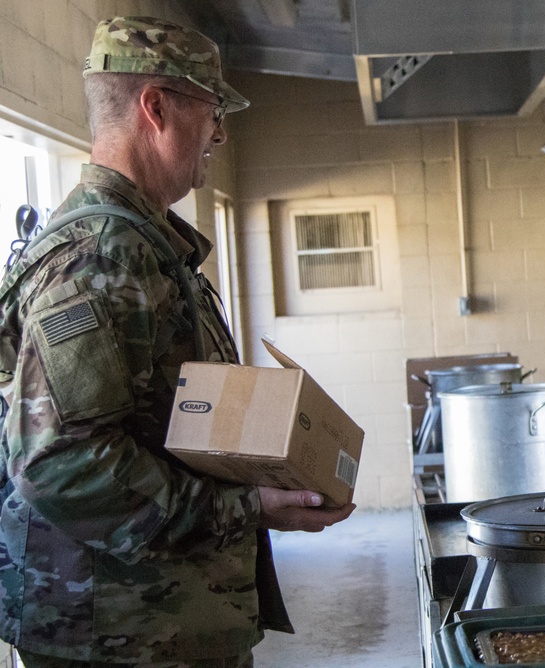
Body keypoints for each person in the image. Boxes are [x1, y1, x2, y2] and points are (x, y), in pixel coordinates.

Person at [0, 16, 354, 666]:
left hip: (159, 623)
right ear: (155, 107)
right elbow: (57, 464)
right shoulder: (98, 258)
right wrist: (241, 507)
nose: (220, 130)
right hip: (117, 633)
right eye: (212, 108)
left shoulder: (144, 246)